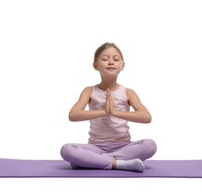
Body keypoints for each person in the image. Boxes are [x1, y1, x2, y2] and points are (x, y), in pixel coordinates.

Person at [60, 42, 157, 172]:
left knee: (150, 145)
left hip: (124, 147)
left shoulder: (128, 92)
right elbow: (73, 115)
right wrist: (103, 111)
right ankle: (119, 164)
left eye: (116, 59)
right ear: (95, 65)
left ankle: (92, 161)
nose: (111, 62)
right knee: (66, 150)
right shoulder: (89, 91)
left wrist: (115, 112)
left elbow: (146, 117)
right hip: (95, 147)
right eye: (105, 59)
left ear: (122, 66)